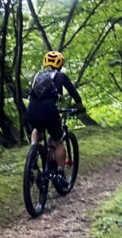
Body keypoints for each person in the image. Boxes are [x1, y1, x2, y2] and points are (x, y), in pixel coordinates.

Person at [26, 51, 84, 185]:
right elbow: (74, 94)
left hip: (32, 111)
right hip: (49, 111)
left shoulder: (37, 77)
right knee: (58, 141)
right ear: (60, 64)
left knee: (37, 130)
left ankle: (32, 158)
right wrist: (80, 107)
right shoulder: (61, 76)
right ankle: (59, 173)